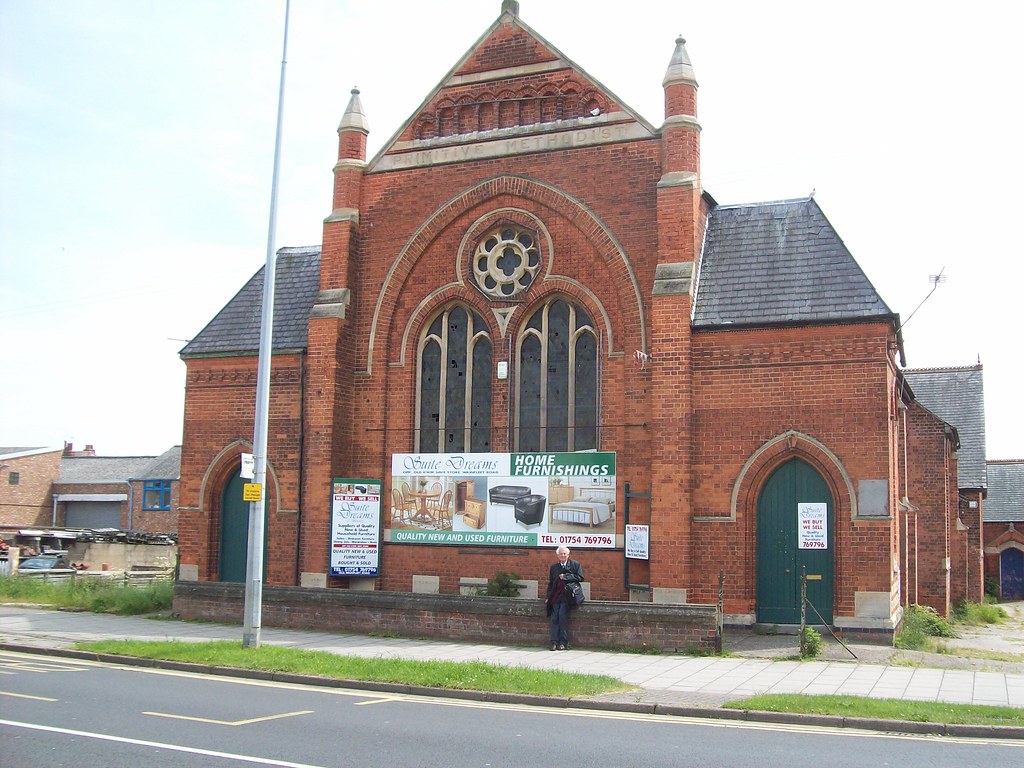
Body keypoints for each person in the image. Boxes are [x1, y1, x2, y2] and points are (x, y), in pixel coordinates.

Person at [545, 545, 583, 650]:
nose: (563, 555)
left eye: (564, 554)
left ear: (568, 555)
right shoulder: (554, 567)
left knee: (562, 618)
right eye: (561, 554)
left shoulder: (575, 565)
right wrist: (548, 596)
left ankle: (563, 642)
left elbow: (580, 577)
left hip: (568, 596)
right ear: (558, 555)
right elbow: (551, 583)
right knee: (554, 618)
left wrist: (566, 577)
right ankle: (553, 642)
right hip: (556, 596)